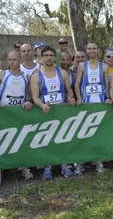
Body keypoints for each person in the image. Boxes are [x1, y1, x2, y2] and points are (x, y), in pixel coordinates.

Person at [30, 45, 76, 179]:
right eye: (46, 55)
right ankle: (48, 166)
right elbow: (34, 97)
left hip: (61, 112)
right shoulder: (36, 76)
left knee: (63, 139)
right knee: (47, 140)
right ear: (41, 57)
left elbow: (69, 90)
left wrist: (71, 98)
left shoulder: (62, 73)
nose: (49, 58)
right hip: (45, 112)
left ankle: (64, 164)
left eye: (51, 55)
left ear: (55, 57)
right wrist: (42, 105)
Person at [0, 51, 34, 180]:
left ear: (20, 60)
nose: (11, 62)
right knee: (1, 140)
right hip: (3, 114)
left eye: (14, 59)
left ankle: (24, 167)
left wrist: (29, 101)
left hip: (19, 115)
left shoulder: (26, 77)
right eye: (9, 59)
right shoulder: (2, 74)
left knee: (20, 141)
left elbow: (30, 95)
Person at [74, 41, 111, 174]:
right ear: (86, 50)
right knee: (83, 134)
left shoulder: (104, 66)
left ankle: (98, 160)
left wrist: (107, 97)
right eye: (89, 49)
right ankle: (80, 162)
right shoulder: (82, 66)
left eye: (94, 48)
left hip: (100, 105)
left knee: (98, 134)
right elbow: (77, 84)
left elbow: (107, 85)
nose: (91, 51)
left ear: (98, 50)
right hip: (86, 105)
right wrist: (79, 98)